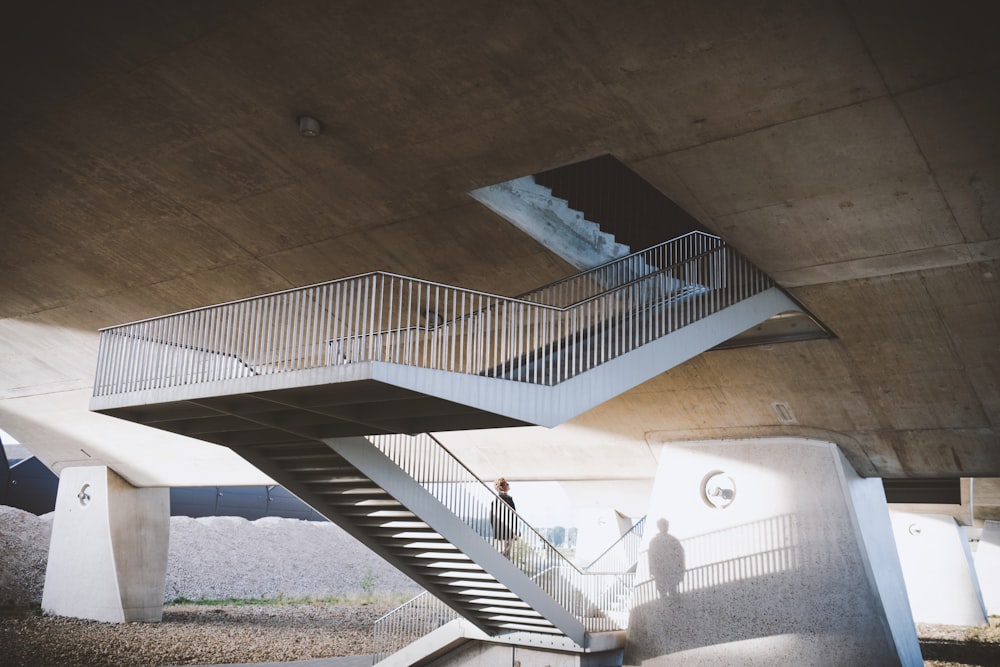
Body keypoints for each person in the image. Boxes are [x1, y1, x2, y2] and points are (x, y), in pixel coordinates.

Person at [490, 477, 518, 557]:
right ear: (502, 487)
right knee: (505, 553)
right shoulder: (508, 499)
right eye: (506, 484)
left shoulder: (495, 500)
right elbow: (513, 516)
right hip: (508, 531)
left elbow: (492, 518)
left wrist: (496, 531)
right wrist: (515, 531)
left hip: (500, 531)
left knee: (502, 552)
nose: (508, 484)